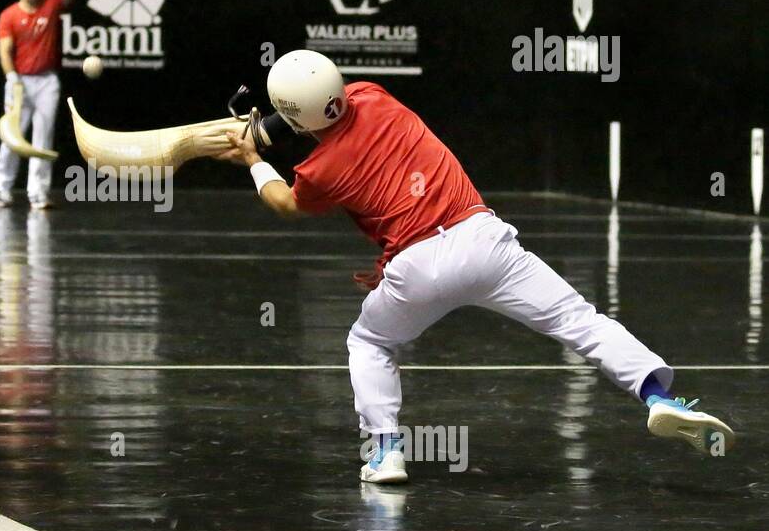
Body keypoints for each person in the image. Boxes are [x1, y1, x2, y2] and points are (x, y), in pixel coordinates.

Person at [218, 49, 735, 484]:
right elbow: (325, 118)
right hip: (484, 242)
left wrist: (253, 158)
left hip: (417, 268)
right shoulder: (373, 95)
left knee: (369, 342)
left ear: (294, 116)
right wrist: (266, 125)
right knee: (581, 322)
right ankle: (660, 397)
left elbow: (287, 200)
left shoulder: (318, 170)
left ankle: (385, 451)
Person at [0, 0, 105, 209]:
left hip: (47, 82)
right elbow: (5, 51)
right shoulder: (8, 16)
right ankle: (4, 189)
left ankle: (38, 194)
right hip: (18, 82)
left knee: (43, 136)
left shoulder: (51, 5)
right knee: (13, 137)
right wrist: (12, 77)